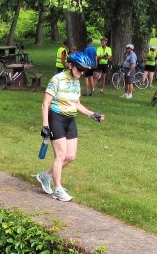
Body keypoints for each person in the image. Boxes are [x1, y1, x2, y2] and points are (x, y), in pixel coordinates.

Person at [35, 51, 105, 203]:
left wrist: (92, 114)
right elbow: (45, 103)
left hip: (70, 120)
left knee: (70, 156)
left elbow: (76, 103)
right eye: (79, 69)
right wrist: (45, 125)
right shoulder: (57, 79)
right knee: (60, 155)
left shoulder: (76, 82)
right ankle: (58, 189)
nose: (82, 72)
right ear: (70, 65)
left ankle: (45, 176)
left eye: (84, 70)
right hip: (56, 119)